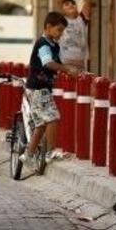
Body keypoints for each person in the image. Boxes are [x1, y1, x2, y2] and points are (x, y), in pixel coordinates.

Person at [19, 11, 77, 171]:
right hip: (39, 89)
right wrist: (66, 69)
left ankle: (28, 155)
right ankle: (50, 153)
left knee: (42, 124)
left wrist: (72, 70)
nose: (61, 34)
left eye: (62, 31)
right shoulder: (43, 44)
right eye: (59, 30)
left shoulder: (53, 45)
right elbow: (48, 63)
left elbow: (58, 64)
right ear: (48, 27)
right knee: (52, 118)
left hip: (38, 89)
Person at [54, 0, 93, 71]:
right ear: (62, 10)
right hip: (65, 62)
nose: (71, 5)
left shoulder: (81, 20)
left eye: (73, 4)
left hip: (80, 63)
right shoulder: (62, 20)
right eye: (66, 4)